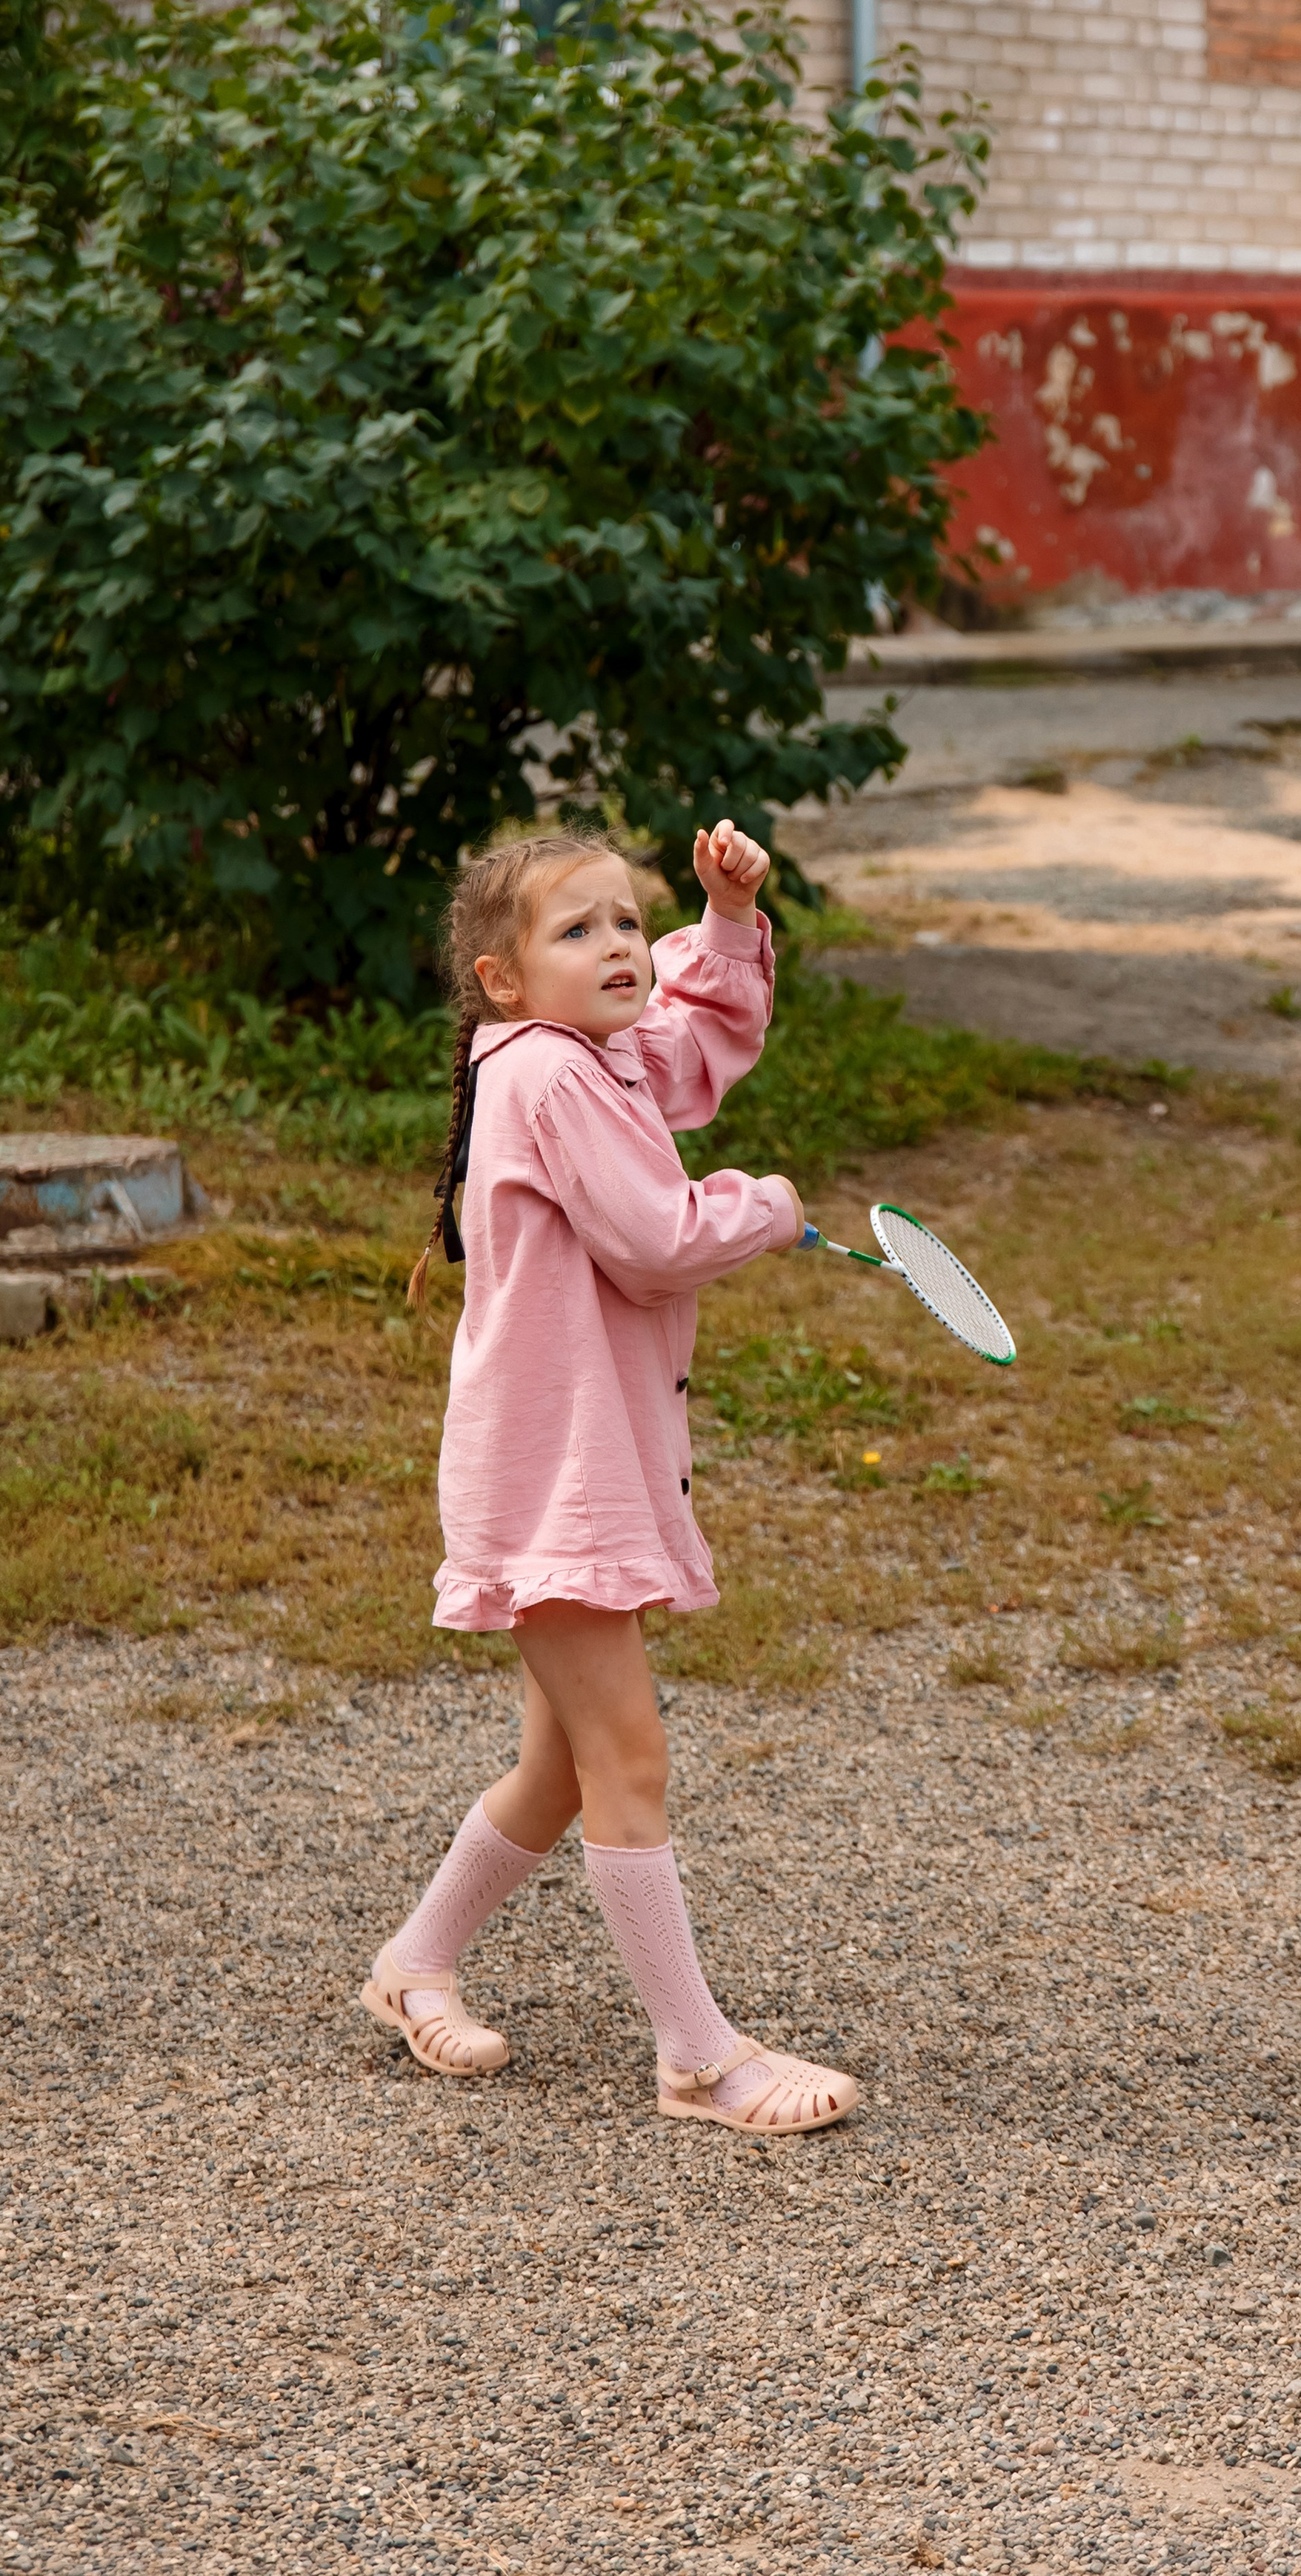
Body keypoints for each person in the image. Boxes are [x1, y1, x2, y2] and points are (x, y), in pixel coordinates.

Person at [361, 820, 858, 2136]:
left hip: (571, 1471)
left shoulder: (590, 1054)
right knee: (629, 1752)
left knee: (567, 1769)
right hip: (554, 1486)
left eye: (632, 922)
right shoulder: (547, 1078)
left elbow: (689, 1051)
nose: (623, 946)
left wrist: (728, 918)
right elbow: (651, 1239)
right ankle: (698, 2058)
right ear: (504, 980)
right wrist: (766, 1203)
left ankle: (411, 1967)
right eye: (578, 931)